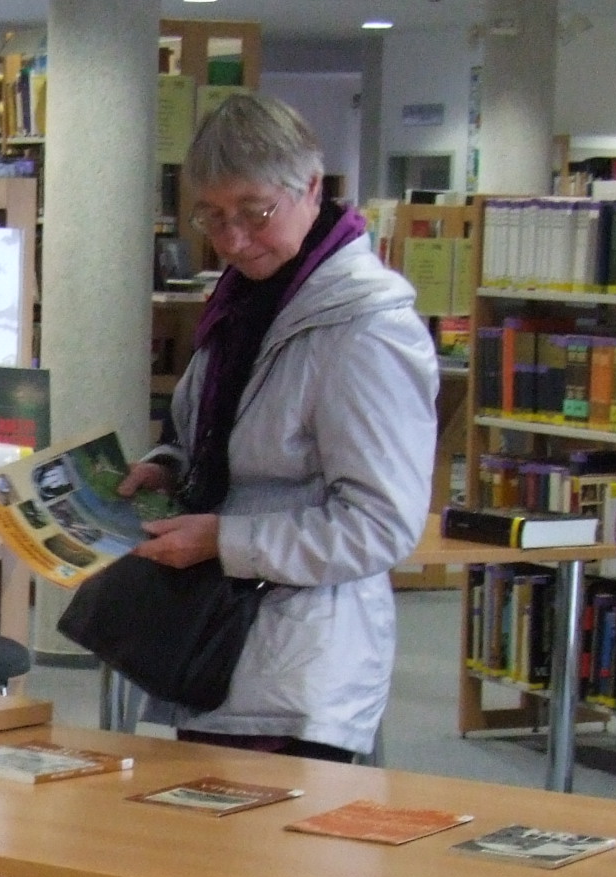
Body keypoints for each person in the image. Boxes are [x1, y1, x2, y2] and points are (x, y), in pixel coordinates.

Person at [114, 92, 437, 760]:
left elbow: (381, 525)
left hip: (299, 671)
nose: (232, 239)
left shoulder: (367, 331)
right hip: (217, 648)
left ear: (311, 187)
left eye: (254, 212)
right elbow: (217, 438)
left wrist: (225, 540)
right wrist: (170, 468)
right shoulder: (242, 303)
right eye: (211, 216)